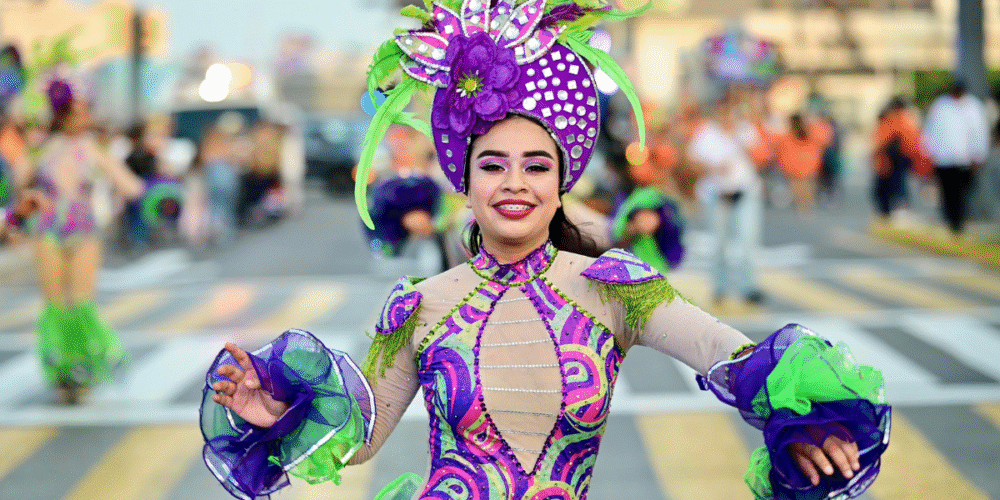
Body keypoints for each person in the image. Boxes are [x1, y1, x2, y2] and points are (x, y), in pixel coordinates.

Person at [201, 2, 890, 500]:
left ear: (563, 186)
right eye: (493, 165)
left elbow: (728, 357)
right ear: (464, 183)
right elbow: (360, 439)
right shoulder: (417, 306)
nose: (514, 183)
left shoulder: (616, 289)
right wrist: (281, 414)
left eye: (537, 166)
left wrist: (801, 422)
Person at [18, 81, 145, 404]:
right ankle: (62, 369)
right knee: (56, 303)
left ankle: (85, 365)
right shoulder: (42, 149)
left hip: (83, 229)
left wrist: (157, 192)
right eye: (79, 112)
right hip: (48, 228)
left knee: (82, 302)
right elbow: (17, 183)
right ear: (62, 115)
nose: (85, 117)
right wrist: (27, 196)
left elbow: (130, 186)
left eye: (86, 111)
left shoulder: (92, 148)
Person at [687, 95, 765, 306]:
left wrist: (747, 146)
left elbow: (763, 157)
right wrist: (713, 168)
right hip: (716, 195)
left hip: (746, 192)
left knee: (748, 241)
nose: (728, 116)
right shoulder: (706, 133)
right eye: (724, 112)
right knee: (719, 243)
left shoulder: (747, 131)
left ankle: (749, 286)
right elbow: (692, 162)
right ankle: (719, 286)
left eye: (731, 112)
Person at [920, 80, 990, 235]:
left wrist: (978, 154)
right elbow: (931, 131)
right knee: (947, 191)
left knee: (961, 192)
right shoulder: (941, 105)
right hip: (944, 159)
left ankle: (958, 222)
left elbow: (979, 132)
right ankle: (951, 221)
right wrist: (927, 153)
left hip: (964, 159)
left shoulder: (973, 106)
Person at [871, 97, 929, 220]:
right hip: (895, 158)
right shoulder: (907, 118)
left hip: (896, 158)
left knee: (895, 185)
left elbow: (887, 139)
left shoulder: (899, 118)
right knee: (894, 186)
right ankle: (892, 210)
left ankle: (895, 210)